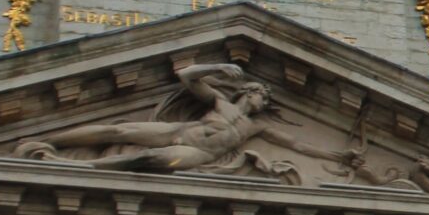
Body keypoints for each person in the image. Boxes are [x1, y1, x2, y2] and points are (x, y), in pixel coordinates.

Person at [16, 63, 309, 177]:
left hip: (198, 152)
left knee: (149, 159)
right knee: (117, 130)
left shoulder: (255, 126)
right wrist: (217, 67)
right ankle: (48, 141)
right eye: (263, 96)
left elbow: (294, 143)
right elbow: (185, 75)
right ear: (249, 92)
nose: (265, 102)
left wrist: (338, 156)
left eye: (267, 100)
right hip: (178, 130)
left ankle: (77, 166)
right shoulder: (220, 101)